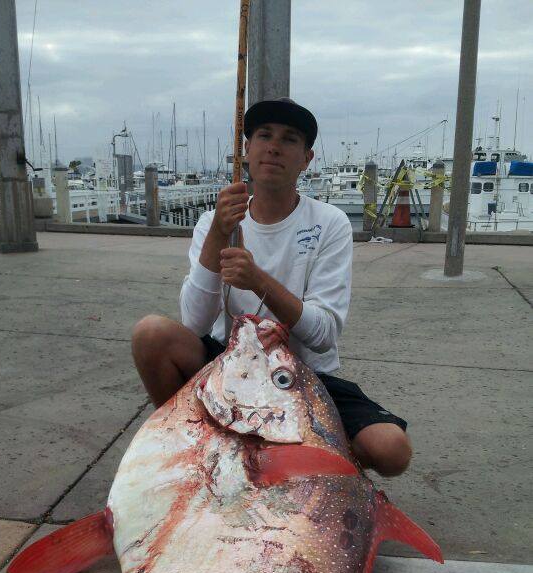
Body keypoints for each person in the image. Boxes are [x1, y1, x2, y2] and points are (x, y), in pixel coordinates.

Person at [132, 98, 411, 477]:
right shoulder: (212, 222)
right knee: (151, 333)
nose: (274, 147)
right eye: (263, 136)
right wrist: (217, 233)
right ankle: (190, 447)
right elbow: (194, 323)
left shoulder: (330, 223)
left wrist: (259, 281)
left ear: (306, 158)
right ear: (247, 150)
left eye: (289, 139)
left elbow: (324, 336)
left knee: (392, 450)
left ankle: (317, 464)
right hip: (226, 365)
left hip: (303, 374)